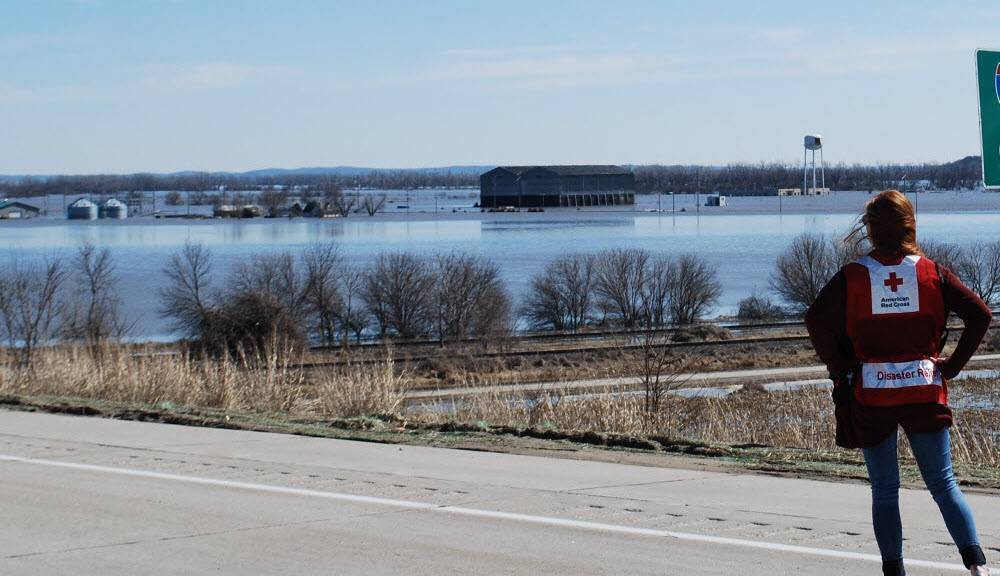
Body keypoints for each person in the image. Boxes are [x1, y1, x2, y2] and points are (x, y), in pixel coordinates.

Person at [805, 190, 992, 576]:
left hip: (872, 394)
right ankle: (976, 566)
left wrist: (842, 368)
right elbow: (980, 314)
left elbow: (816, 320)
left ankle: (895, 571)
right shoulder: (932, 272)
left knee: (885, 489)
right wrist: (953, 365)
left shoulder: (854, 275)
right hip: (924, 390)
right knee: (943, 484)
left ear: (871, 231)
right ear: (910, 225)